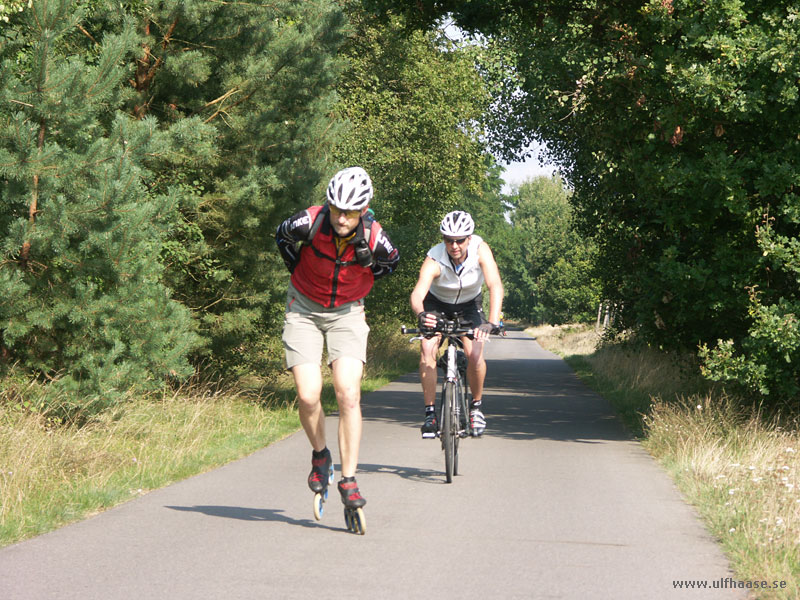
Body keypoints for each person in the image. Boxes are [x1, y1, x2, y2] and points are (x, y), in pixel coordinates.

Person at [275, 166, 399, 511]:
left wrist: (368, 266)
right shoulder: (309, 222)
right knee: (308, 394)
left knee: (348, 393)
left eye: (350, 211)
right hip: (303, 307)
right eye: (336, 209)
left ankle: (349, 479)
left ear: (363, 209)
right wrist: (297, 268)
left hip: (347, 312)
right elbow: (281, 236)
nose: (342, 218)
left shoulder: (375, 237)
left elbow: (393, 262)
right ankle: (320, 455)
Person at [409, 210, 503, 438]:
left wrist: (491, 322)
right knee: (427, 348)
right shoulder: (434, 258)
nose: (454, 245)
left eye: (460, 240)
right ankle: (430, 413)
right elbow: (417, 294)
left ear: (469, 238)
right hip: (437, 303)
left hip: (470, 304)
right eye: (449, 240)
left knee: (475, 354)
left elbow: (495, 286)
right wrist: (422, 315)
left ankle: (477, 408)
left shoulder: (481, 250)